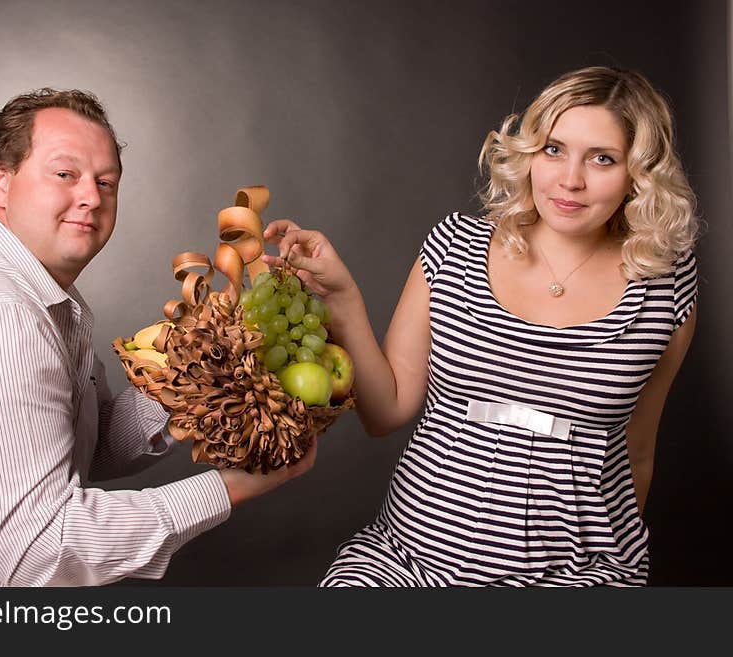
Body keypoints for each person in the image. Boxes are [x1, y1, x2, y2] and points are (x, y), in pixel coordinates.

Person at [0, 88, 315, 586]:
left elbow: (82, 448)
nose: (92, 196)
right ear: (2, 182)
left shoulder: (43, 299)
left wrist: (198, 370)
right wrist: (230, 489)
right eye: (65, 174)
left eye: (106, 181)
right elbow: (43, 551)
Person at [262, 66, 698, 586]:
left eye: (602, 158)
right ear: (530, 152)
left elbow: (638, 447)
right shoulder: (456, 246)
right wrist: (345, 301)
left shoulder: (665, 284)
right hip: (408, 562)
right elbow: (386, 413)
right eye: (554, 149)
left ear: (638, 174)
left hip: (576, 575)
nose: (570, 179)